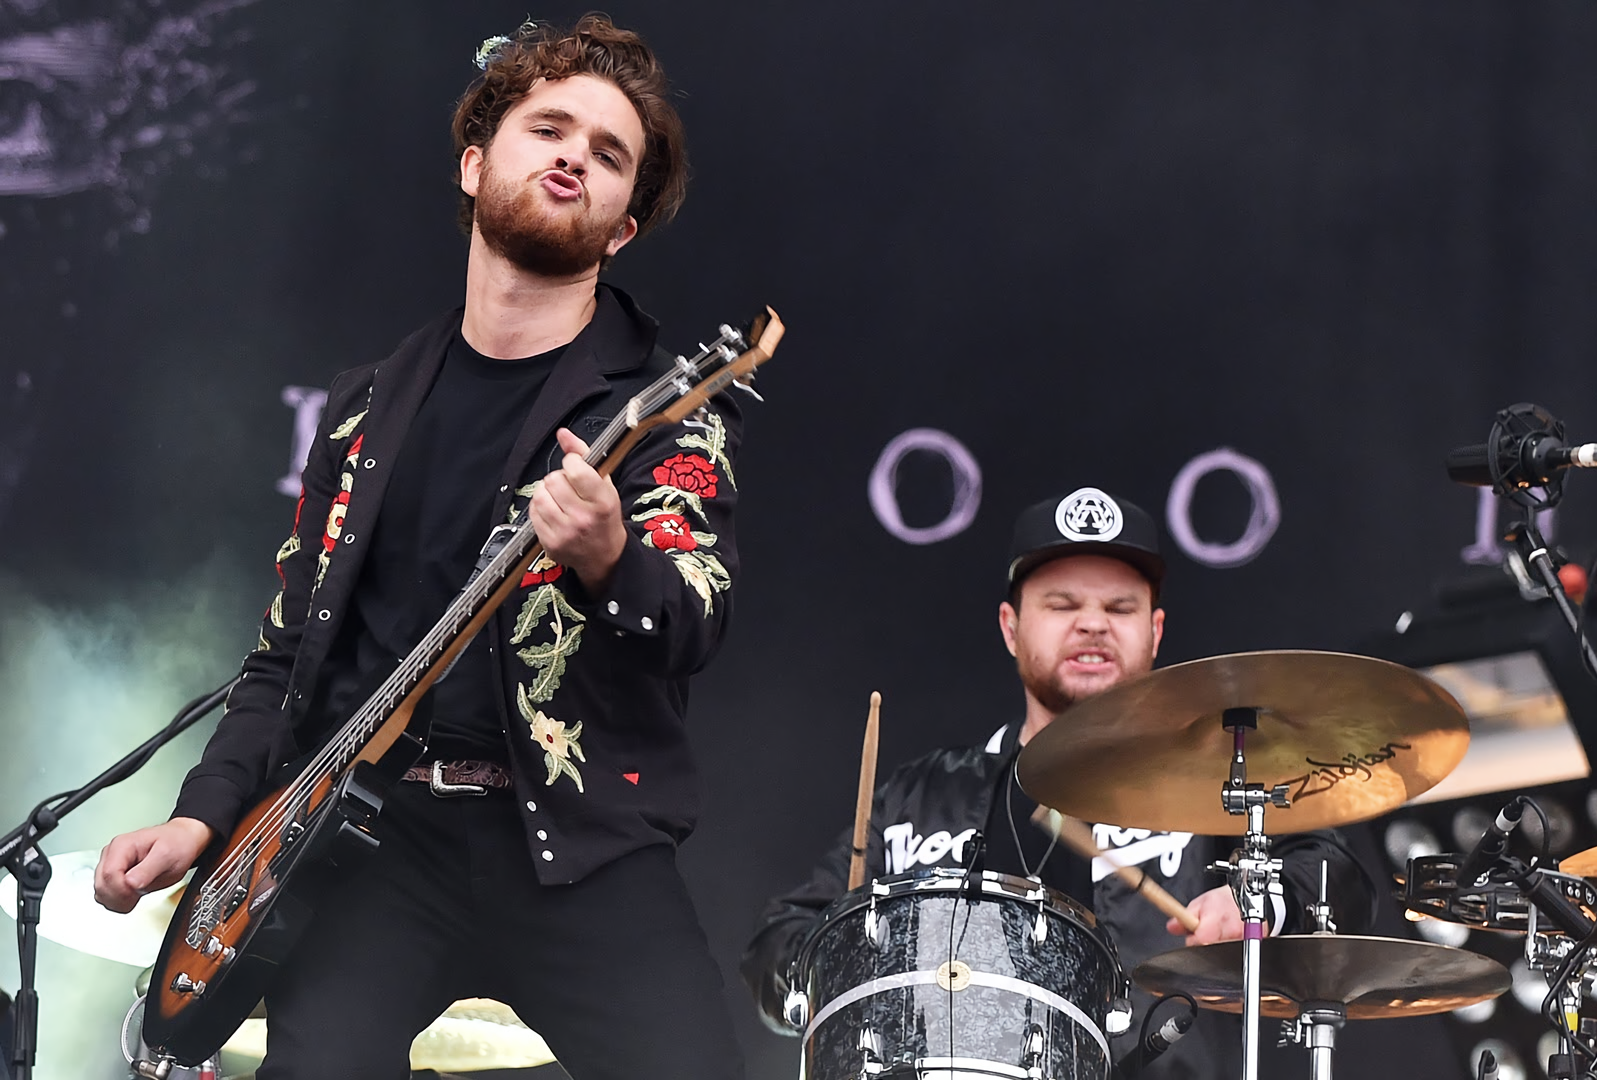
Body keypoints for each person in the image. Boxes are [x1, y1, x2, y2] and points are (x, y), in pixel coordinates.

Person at [90, 17, 746, 1080]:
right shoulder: (363, 410)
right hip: (373, 843)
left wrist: (609, 554)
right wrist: (200, 821)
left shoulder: (660, 407)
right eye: (549, 128)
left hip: (581, 847)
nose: (576, 154)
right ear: (477, 163)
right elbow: (282, 663)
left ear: (623, 226)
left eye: (610, 152)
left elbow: (693, 618)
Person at [740, 488, 1379, 1079]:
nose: (1093, 624)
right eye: (1063, 605)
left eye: (1119, 608)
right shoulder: (922, 796)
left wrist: (1259, 903)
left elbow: (1337, 879)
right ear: (1011, 628)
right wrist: (851, 963)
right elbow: (779, 941)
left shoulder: (1220, 783)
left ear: (1155, 632)